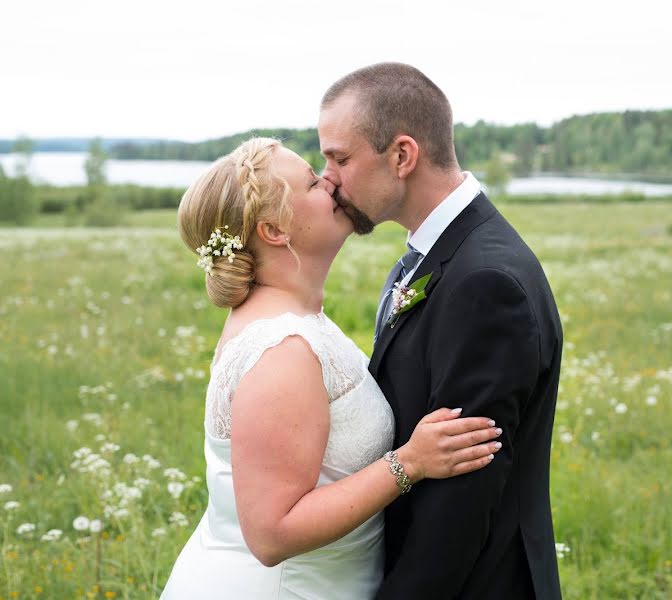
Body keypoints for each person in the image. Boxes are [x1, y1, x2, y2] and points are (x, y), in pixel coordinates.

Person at [160, 137, 503, 599]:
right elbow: (272, 534)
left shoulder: (296, 320)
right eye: (311, 182)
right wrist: (410, 463)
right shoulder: (282, 351)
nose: (332, 181)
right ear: (275, 231)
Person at [318, 63, 563, 599]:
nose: (328, 178)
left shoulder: (486, 282)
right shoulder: (430, 255)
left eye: (340, 157)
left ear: (402, 155)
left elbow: (463, 498)